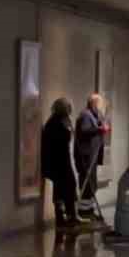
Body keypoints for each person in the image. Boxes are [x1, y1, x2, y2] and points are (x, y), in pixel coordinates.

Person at [41, 98, 79, 235]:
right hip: (59, 161)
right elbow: (62, 140)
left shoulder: (55, 121)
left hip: (59, 161)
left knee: (63, 188)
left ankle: (66, 216)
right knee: (67, 187)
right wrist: (69, 130)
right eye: (69, 108)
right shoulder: (57, 123)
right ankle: (67, 217)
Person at [75, 93, 109, 213]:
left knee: (92, 183)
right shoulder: (85, 115)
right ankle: (84, 210)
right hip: (86, 155)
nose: (100, 107)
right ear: (94, 104)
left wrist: (102, 122)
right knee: (87, 182)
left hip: (92, 155)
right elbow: (85, 130)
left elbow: (98, 125)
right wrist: (100, 129)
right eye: (99, 105)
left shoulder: (93, 115)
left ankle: (89, 209)